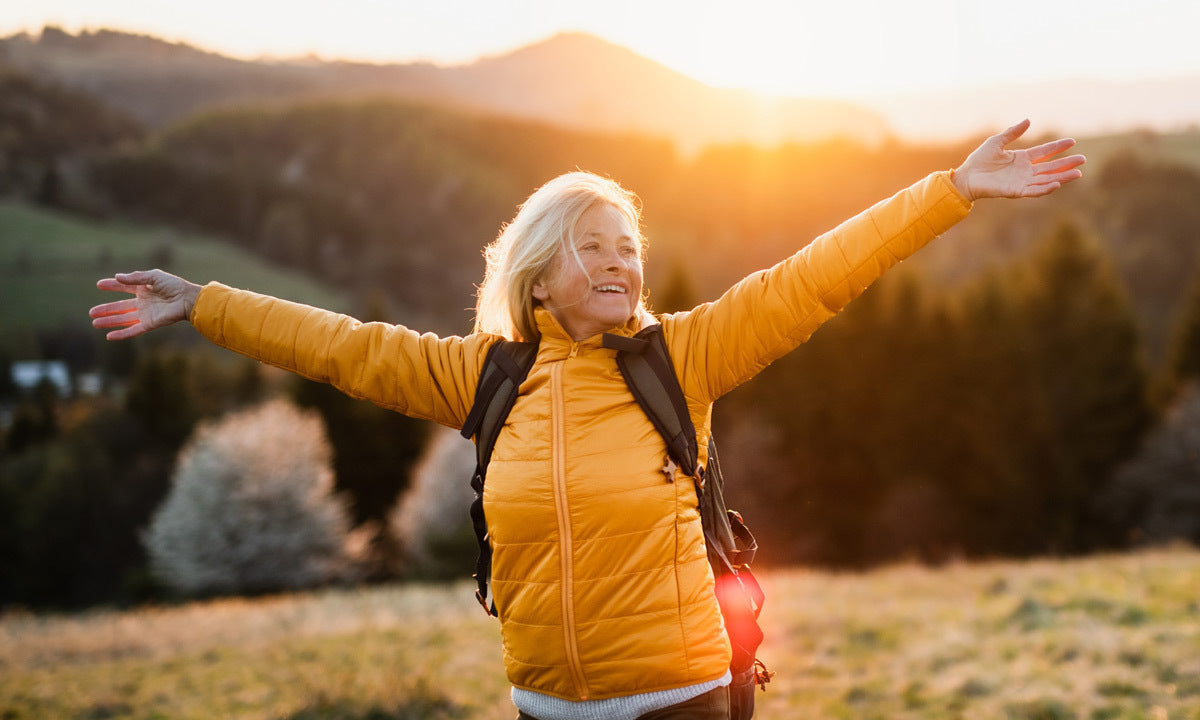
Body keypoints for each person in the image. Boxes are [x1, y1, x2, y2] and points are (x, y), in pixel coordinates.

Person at [91, 119, 1084, 720]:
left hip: (681, 701)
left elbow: (817, 276)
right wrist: (202, 303)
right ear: (537, 272)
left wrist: (950, 191)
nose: (619, 263)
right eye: (592, 247)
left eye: (627, 246)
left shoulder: (683, 358)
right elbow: (340, 346)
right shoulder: (483, 379)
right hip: (544, 705)